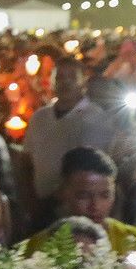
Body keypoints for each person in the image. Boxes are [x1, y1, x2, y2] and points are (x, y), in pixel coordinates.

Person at [20, 59, 114, 228]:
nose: (65, 82)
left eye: (72, 77)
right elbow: (27, 160)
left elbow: (94, 165)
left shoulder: (95, 118)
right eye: (60, 77)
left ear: (83, 81)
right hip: (40, 204)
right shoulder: (40, 117)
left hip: (79, 207)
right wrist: (29, 197)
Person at [20, 147, 136, 258]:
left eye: (105, 195)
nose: (95, 206)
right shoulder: (38, 248)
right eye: (83, 196)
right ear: (62, 193)